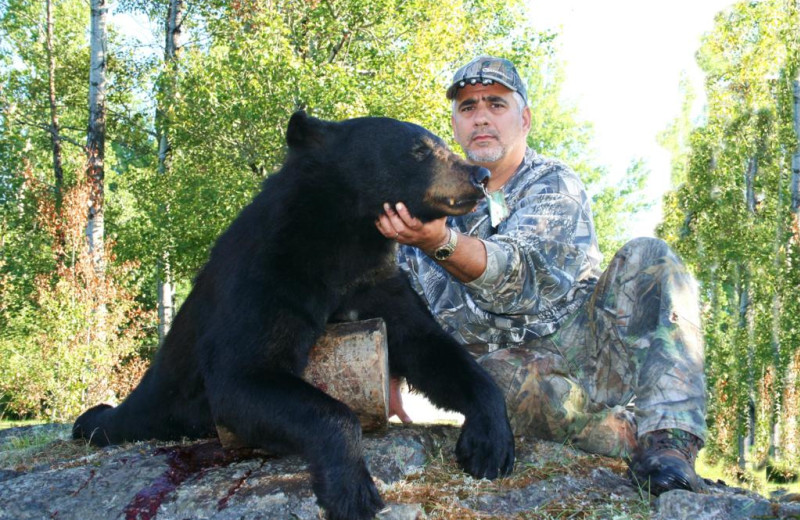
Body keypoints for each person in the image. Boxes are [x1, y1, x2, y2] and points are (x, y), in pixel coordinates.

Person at [375, 55, 708, 495]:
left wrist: (441, 242)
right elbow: (399, 297)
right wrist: (391, 371)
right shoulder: (425, 200)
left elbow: (522, 278)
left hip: (588, 348)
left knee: (650, 256)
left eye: (496, 104)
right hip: (507, 373)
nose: (481, 119)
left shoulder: (554, 183)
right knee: (489, 384)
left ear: (524, 118)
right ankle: (623, 439)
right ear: (454, 124)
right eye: (468, 107)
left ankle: (669, 443)